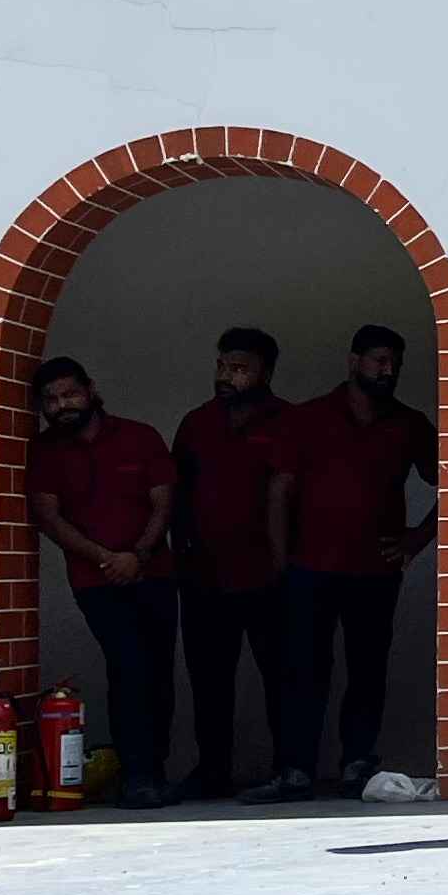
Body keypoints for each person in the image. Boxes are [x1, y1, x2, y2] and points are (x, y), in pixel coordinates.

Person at [261, 323, 439, 800]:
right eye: (378, 360)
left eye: (394, 363)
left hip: (375, 572)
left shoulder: (409, 423)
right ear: (353, 361)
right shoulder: (308, 418)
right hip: (309, 568)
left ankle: (356, 764)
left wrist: (417, 539)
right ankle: (295, 769)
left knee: (368, 670)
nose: (387, 370)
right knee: (302, 670)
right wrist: (282, 564)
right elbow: (279, 491)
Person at [27, 357, 180, 808]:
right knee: (128, 667)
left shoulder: (139, 436)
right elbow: (48, 517)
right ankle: (136, 777)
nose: (62, 406)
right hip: (94, 581)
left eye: (70, 394)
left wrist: (140, 554)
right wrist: (106, 560)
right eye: (51, 400)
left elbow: (164, 501)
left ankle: (156, 772)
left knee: (158, 673)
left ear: (91, 390)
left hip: (153, 574)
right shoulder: (44, 450)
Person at [173, 327, 294, 799]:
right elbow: (175, 495)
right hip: (204, 575)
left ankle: (288, 768)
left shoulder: (288, 422)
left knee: (282, 678)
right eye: (223, 366)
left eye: (239, 368)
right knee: (208, 680)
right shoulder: (196, 424)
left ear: (265, 372)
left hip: (270, 575)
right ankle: (212, 770)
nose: (227, 376)